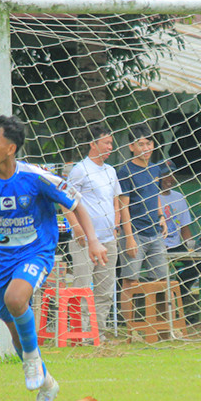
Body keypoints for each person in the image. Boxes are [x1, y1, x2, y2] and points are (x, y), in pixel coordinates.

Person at [0, 115, 105, 401]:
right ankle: (47, 383)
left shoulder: (35, 177)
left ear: (10, 148)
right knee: (14, 328)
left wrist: (93, 240)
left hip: (35, 253)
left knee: (16, 299)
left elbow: (76, 203)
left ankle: (32, 362)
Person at [66, 125, 132, 338]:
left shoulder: (111, 171)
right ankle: (82, 333)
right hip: (84, 240)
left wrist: (116, 226)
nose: (110, 147)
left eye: (111, 143)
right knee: (83, 286)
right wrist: (76, 227)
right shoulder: (80, 170)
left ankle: (98, 333)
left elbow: (116, 201)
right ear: (92, 144)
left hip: (108, 239)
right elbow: (66, 202)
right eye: (106, 143)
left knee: (105, 289)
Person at [117, 124, 168, 281]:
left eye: (149, 143)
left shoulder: (156, 169)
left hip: (155, 232)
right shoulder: (125, 172)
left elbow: (155, 195)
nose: (146, 148)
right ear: (131, 147)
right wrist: (129, 238)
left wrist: (161, 216)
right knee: (130, 280)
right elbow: (123, 207)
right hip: (135, 233)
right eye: (141, 144)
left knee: (162, 280)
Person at [159, 162, 201, 296]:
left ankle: (178, 294)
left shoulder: (178, 197)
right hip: (156, 245)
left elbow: (185, 228)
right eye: (166, 174)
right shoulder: (152, 196)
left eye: (172, 174)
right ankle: (162, 298)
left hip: (176, 245)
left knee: (200, 263)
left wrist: (191, 246)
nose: (170, 178)